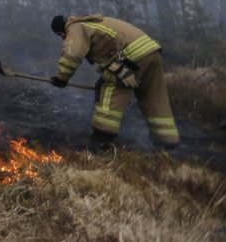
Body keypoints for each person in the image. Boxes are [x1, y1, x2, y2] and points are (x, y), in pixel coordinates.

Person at [49, 13, 179, 149]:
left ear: (61, 30)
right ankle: (166, 141)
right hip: (152, 53)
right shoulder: (93, 22)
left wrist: (61, 78)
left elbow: (72, 53)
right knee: (153, 97)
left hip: (132, 57)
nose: (62, 38)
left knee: (110, 88)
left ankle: (102, 139)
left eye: (60, 35)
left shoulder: (76, 27)